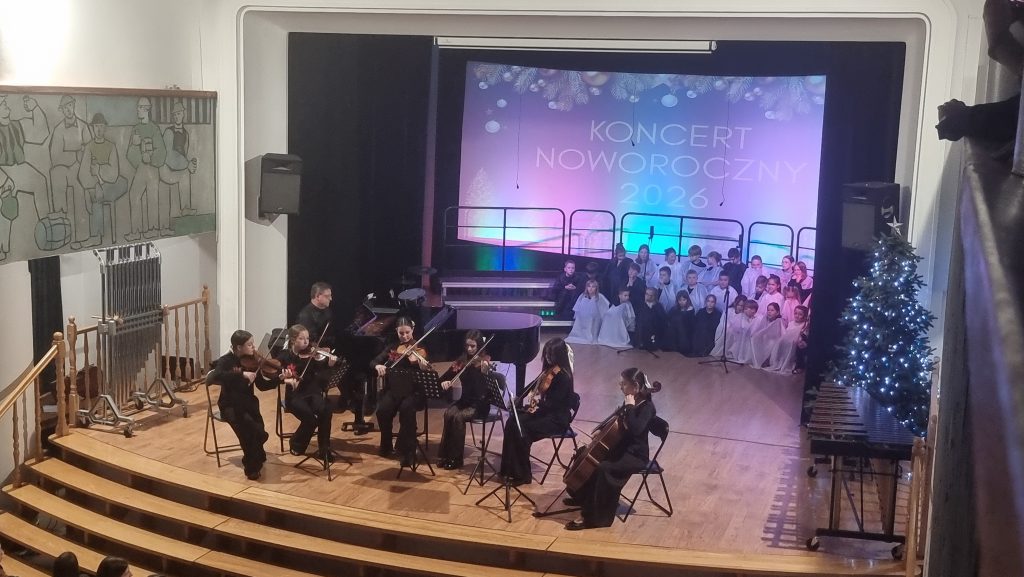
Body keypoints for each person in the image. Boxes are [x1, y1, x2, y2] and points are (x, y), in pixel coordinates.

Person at [564, 367, 661, 530]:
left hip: (636, 455)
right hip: (622, 448)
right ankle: (583, 497)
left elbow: (635, 429)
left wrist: (629, 408)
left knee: (604, 468)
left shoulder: (647, 407)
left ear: (636, 386)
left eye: (624, 383)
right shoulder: (631, 400)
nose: (620, 386)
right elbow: (619, 425)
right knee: (585, 454)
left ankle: (595, 518)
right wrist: (603, 431)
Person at [499, 337, 575, 486]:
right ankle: (508, 469)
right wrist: (519, 397)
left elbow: (554, 404)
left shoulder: (564, 377)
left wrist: (537, 404)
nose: (548, 358)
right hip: (546, 413)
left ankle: (523, 475)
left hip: (557, 419)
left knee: (522, 430)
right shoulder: (548, 371)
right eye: (547, 354)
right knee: (513, 421)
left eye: (551, 355)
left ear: (559, 355)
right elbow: (532, 385)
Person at [209, 329, 277, 480]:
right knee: (249, 433)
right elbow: (215, 376)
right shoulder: (226, 360)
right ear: (239, 347)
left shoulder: (252, 361)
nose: (254, 347)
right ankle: (251, 468)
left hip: (249, 404)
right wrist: (241, 374)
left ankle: (257, 450)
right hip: (230, 405)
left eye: (253, 344)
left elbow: (262, 386)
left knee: (257, 431)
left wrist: (279, 379)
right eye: (250, 345)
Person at [372, 317, 434, 466]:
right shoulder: (393, 347)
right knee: (382, 411)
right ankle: (386, 443)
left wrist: (423, 367)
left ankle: (408, 451)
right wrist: (377, 366)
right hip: (395, 390)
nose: (405, 337)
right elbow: (373, 361)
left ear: (412, 330)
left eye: (407, 332)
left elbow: (428, 369)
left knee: (407, 410)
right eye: (401, 333)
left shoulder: (420, 347)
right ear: (396, 331)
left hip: (414, 392)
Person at [277, 324, 338, 459]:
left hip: (313, 393)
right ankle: (296, 443)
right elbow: (276, 375)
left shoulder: (313, 354)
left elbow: (323, 377)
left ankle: (324, 449)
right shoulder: (285, 356)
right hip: (295, 397)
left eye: (308, 338)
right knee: (310, 420)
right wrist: (286, 378)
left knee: (326, 411)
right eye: (301, 338)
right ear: (293, 340)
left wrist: (329, 366)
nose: (306, 342)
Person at [437, 330, 494, 469]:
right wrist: (446, 383)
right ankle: (445, 456)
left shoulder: (484, 362)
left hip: (479, 405)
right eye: (467, 345)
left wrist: (485, 371)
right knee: (449, 413)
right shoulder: (461, 361)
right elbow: (445, 378)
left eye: (473, 346)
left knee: (458, 417)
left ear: (479, 346)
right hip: (465, 400)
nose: (469, 349)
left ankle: (456, 459)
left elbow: (487, 386)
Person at [565, 279, 609, 345]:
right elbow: (577, 309)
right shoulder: (582, 296)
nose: (591, 288)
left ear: (596, 288)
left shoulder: (600, 297)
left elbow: (604, 309)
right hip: (584, 319)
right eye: (589, 286)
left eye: (593, 287)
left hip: (595, 320)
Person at [769, 305, 810, 373]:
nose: (797, 316)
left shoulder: (805, 325)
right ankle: (779, 361)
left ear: (805, 316)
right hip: (789, 341)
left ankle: (799, 366)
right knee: (779, 342)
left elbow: (805, 336)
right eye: (795, 313)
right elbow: (787, 334)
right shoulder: (791, 323)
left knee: (799, 346)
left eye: (800, 314)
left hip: (799, 342)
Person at [296, 282, 334, 348]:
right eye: (327, 296)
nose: (331, 299)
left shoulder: (328, 311)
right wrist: (320, 350)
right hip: (313, 351)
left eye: (330, 296)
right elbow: (308, 341)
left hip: (328, 348)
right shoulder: (305, 315)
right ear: (317, 296)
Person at [749, 302, 785, 368]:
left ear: (777, 312)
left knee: (771, 343)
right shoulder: (765, 319)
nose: (769, 312)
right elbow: (761, 329)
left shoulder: (779, 321)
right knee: (756, 339)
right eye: (768, 310)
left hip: (775, 341)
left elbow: (783, 334)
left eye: (772, 310)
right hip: (766, 339)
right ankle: (761, 358)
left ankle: (768, 359)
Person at [663, 290, 696, 355]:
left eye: (684, 300)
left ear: (687, 300)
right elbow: (667, 318)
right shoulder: (674, 309)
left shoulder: (690, 310)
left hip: (685, 333)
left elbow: (691, 325)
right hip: (674, 332)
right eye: (680, 300)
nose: (682, 302)